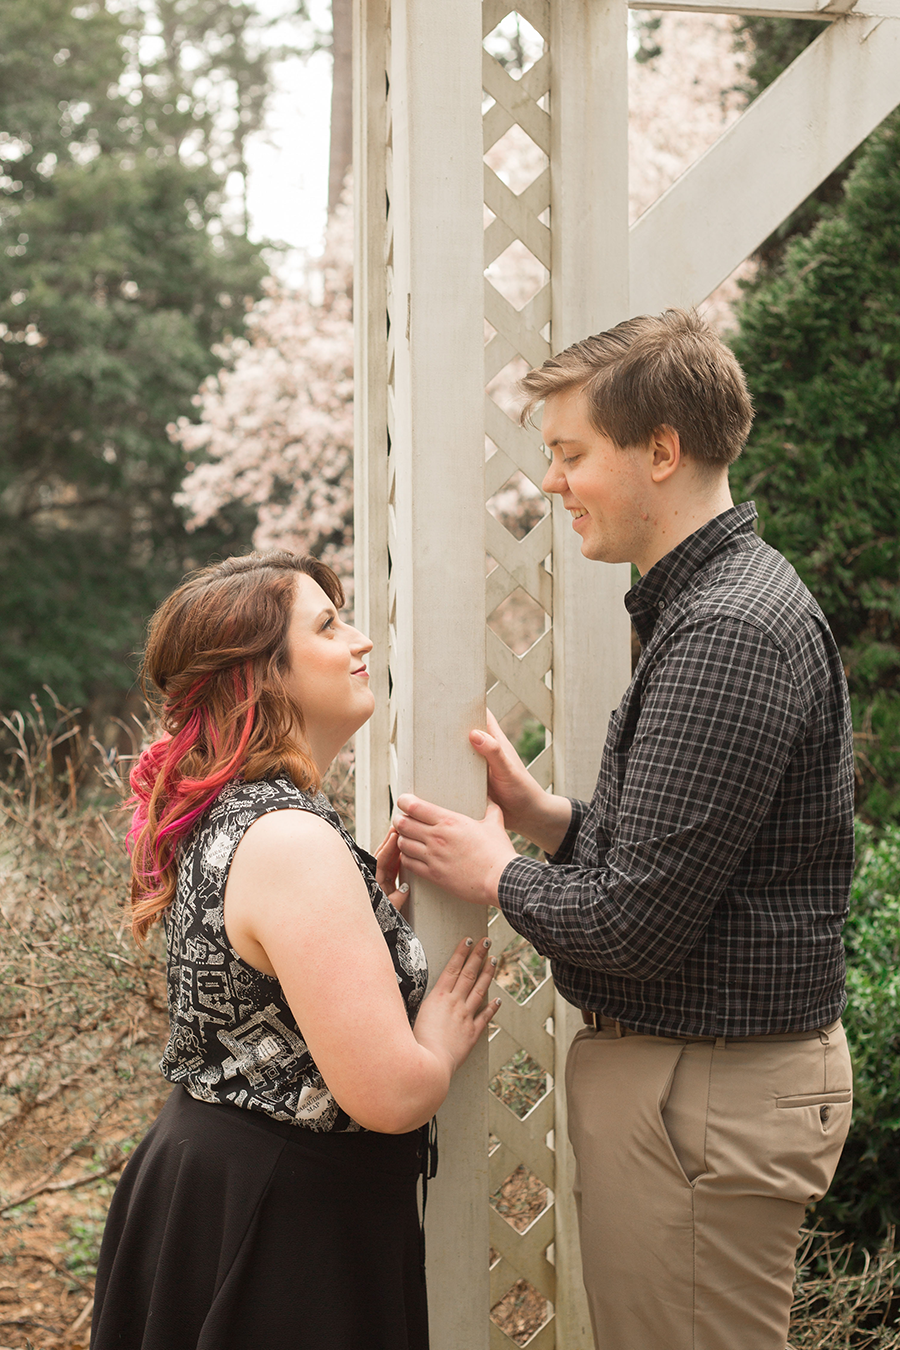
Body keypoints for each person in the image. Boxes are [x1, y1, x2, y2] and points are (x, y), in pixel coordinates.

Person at [393, 309, 854, 1350]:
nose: (551, 483)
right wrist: (553, 821)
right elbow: (704, 862)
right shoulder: (712, 608)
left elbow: (633, 928)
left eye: (569, 454)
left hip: (705, 1095)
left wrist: (495, 871)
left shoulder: (727, 631)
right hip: (699, 1089)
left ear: (661, 450)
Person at [90, 550, 500, 1350]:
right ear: (263, 676)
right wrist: (441, 1039)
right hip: (282, 1224)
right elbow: (387, 1094)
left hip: (229, 1186)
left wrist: (363, 919)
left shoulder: (243, 813)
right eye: (327, 624)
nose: (360, 642)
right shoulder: (287, 836)